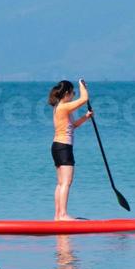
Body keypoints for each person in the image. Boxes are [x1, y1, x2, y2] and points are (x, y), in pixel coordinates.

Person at [48, 78, 93, 221]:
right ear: (67, 92)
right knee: (66, 182)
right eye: (73, 92)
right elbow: (84, 99)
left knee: (61, 183)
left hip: (57, 146)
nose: (74, 94)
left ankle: (57, 215)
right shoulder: (64, 107)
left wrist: (86, 117)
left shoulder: (59, 107)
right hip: (64, 147)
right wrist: (82, 85)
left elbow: (72, 125)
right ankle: (63, 215)